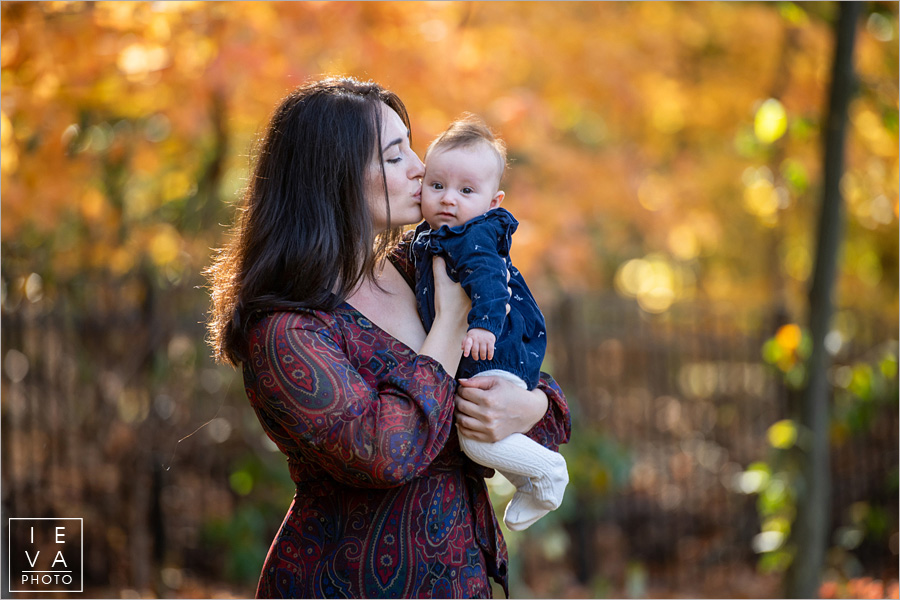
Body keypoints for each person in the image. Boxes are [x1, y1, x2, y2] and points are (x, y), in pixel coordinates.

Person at [206, 76, 571, 599]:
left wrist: (528, 406)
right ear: (333, 177)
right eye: (396, 156)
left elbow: (526, 378)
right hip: (345, 583)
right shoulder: (288, 329)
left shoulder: (416, 270)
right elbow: (385, 452)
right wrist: (447, 325)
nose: (422, 169)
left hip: (457, 577)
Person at [411, 115, 569, 532]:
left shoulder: (474, 237)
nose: (448, 199)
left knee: (475, 437)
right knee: (482, 431)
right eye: (437, 185)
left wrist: (481, 324)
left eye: (466, 191)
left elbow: (491, 283)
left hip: (497, 347)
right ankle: (531, 477)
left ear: (493, 202)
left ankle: (549, 472)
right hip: (489, 351)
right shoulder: (432, 237)